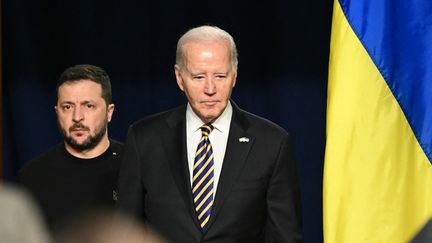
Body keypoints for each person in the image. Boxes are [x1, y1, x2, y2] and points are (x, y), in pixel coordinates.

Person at [117, 25, 303, 243]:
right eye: (198, 77)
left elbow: (285, 237)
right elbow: (124, 232)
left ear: (234, 75)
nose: (210, 88)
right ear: (179, 77)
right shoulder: (144, 139)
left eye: (220, 76)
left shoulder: (272, 143)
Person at [18, 64, 124, 231]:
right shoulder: (32, 176)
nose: (77, 117)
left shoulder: (133, 166)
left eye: (88, 106)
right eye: (67, 107)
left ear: (109, 112)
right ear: (57, 112)